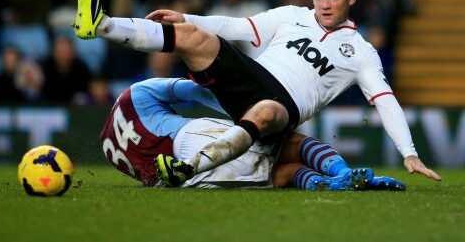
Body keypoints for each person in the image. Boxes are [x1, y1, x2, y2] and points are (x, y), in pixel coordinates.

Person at [72, 0, 441, 188]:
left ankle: (187, 168)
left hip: (281, 110)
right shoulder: (292, 15)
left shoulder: (361, 52)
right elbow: (237, 27)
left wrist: (409, 153)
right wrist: (188, 18)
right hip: (250, 80)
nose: (325, 4)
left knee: (267, 111)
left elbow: (385, 101)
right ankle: (101, 25)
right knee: (193, 36)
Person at [101, 76, 405, 191]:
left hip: (181, 179)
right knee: (292, 144)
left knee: (279, 175)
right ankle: (343, 175)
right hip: (192, 139)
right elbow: (194, 90)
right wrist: (244, 114)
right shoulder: (136, 93)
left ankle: (333, 183)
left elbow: (147, 176)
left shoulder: (107, 148)